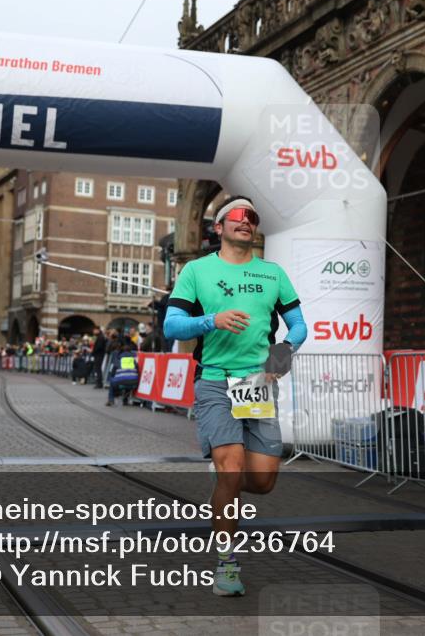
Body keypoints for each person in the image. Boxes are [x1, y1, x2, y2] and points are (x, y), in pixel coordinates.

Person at [163, 195, 307, 597]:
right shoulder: (197, 271)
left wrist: (283, 351)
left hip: (258, 385)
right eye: (238, 216)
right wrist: (212, 320)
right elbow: (172, 326)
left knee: (262, 480)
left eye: (252, 217)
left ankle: (222, 484)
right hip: (214, 381)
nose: (246, 222)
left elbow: (298, 326)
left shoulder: (272, 273)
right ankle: (227, 564)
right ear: (219, 227)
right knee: (232, 467)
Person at [105, 338, 139, 406]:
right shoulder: (134, 360)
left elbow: (112, 373)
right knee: (128, 379)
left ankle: (111, 400)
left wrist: (112, 378)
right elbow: (137, 370)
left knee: (113, 382)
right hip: (133, 382)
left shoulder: (118, 359)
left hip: (121, 382)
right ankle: (125, 401)